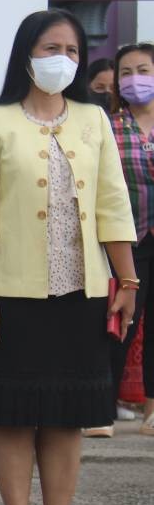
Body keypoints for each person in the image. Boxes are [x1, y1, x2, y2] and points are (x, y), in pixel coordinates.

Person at [0, 9, 136, 505]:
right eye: (50, 47)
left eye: (72, 49)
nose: (62, 58)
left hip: (82, 292)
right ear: (26, 54)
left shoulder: (93, 119)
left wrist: (128, 280)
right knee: (13, 416)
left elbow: (113, 203)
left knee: (67, 416)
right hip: (11, 294)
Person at [103, 41, 154, 438]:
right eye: (126, 73)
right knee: (122, 319)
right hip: (127, 239)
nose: (134, 79)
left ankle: (152, 410)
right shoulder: (107, 126)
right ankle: (100, 407)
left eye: (144, 71)